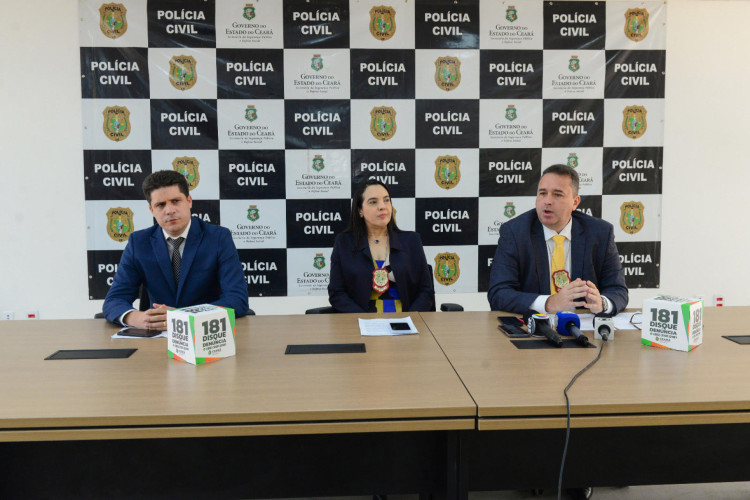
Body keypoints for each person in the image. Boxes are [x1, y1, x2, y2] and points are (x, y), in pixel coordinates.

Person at [103, 170, 250, 328]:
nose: (169, 210)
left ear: (189, 202)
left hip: (204, 332)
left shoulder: (218, 238)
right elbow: (114, 300)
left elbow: (237, 298)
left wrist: (183, 316)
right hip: (157, 335)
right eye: (161, 205)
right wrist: (136, 318)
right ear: (152, 210)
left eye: (176, 201)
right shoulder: (138, 242)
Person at [487, 164, 628, 319]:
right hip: (534, 328)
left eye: (557, 195)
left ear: (575, 202)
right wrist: (549, 302)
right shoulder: (515, 232)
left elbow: (618, 290)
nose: (547, 201)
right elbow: (498, 294)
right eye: (542, 193)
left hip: (582, 329)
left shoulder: (600, 233)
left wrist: (602, 303)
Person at [328, 180, 434, 313]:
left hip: (405, 323)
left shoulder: (411, 241)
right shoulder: (344, 243)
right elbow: (337, 293)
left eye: (386, 200)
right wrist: (364, 320)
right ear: (360, 210)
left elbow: (426, 291)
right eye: (373, 202)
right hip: (360, 323)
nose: (382, 206)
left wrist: (411, 319)